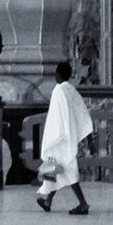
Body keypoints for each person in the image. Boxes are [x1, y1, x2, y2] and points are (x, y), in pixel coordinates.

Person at [36, 61, 93, 215]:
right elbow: (82, 113)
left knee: (66, 170)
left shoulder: (59, 90)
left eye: (56, 73)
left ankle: (83, 203)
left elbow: (56, 117)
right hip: (68, 137)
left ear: (59, 74)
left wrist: (52, 136)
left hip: (60, 138)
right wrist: (87, 138)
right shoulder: (71, 90)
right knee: (56, 168)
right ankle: (47, 200)